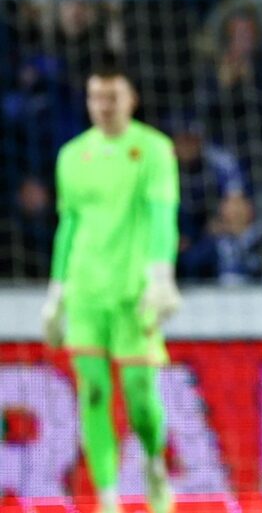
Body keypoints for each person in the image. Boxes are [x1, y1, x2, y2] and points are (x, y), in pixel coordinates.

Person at [40, 64, 181, 513]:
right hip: (85, 293)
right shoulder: (72, 156)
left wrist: (161, 277)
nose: (103, 106)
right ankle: (107, 497)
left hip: (133, 293)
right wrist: (56, 294)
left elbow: (162, 216)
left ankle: (154, 464)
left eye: (112, 97)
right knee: (94, 392)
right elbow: (68, 226)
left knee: (140, 395)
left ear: (131, 99)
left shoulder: (154, 149)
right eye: (95, 97)